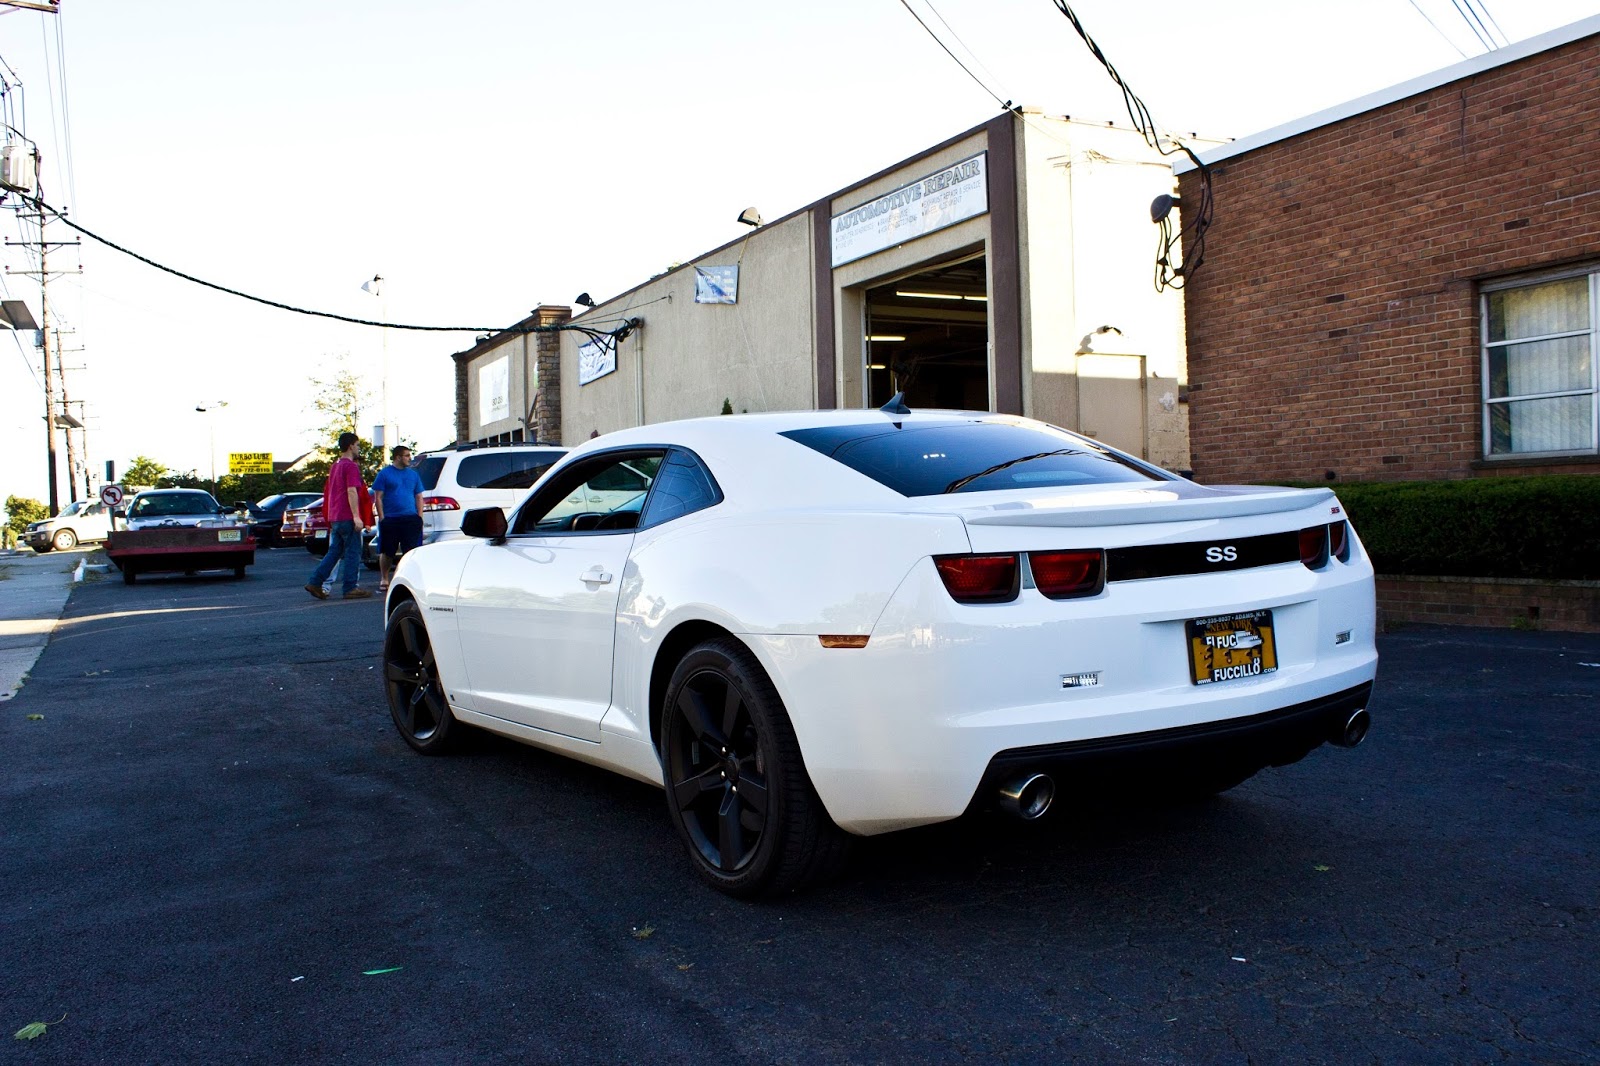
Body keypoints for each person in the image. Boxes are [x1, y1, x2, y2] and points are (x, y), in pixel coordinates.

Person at [305, 431, 373, 600]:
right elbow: (351, 491)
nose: (358, 449)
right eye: (357, 445)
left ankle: (315, 581)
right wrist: (357, 516)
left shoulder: (335, 466)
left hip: (335, 516)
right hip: (347, 515)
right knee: (353, 552)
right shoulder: (351, 466)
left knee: (335, 551)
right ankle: (350, 587)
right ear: (351, 445)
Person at [370, 444, 425, 592]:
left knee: (411, 551)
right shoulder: (384, 474)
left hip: (410, 519)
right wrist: (382, 518)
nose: (409, 458)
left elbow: (419, 496)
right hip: (391, 519)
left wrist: (419, 516)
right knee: (388, 551)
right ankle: (384, 578)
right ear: (398, 457)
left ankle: (409, 579)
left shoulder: (413, 475)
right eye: (407, 456)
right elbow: (378, 497)